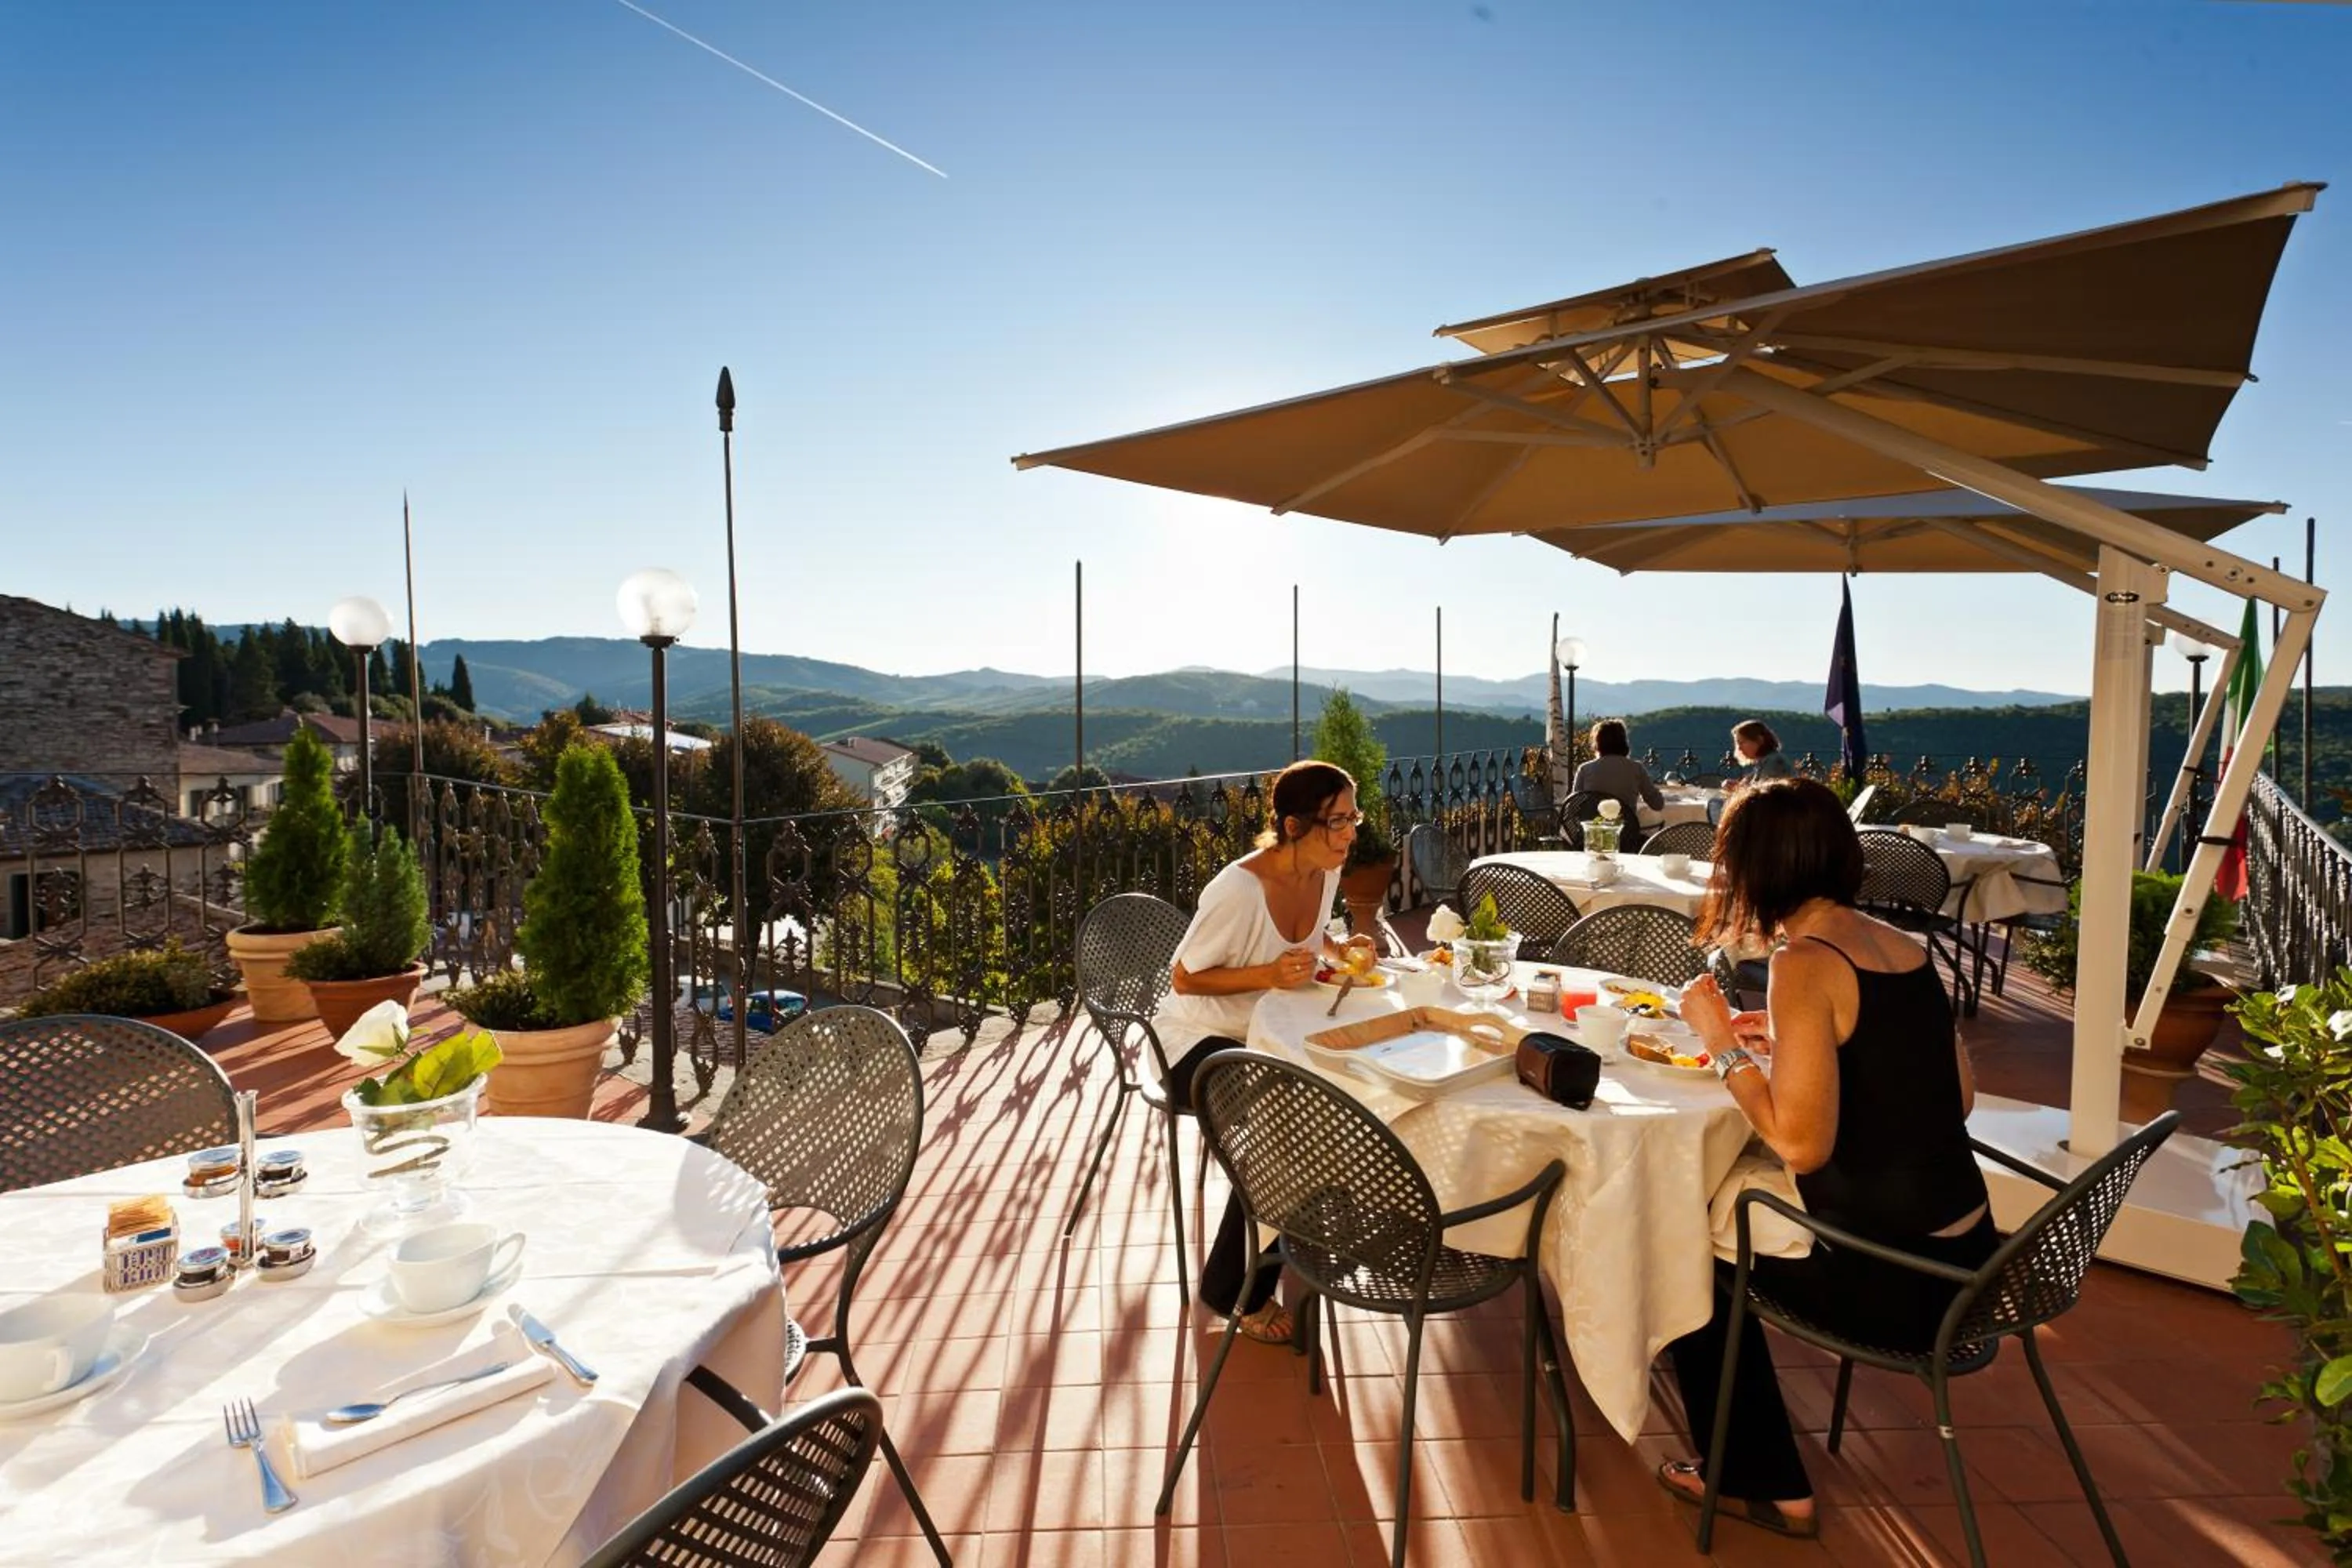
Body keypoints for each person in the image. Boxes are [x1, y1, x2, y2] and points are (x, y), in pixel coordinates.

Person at [1653, 777, 1991, 1541]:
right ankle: (1755, 1463)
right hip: (1970, 1258)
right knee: (1717, 1220)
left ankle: (1763, 1483)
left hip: (1897, 1287)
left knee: (1683, 1245)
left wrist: (1719, 1040)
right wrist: (1801, 1044)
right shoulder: (1900, 946)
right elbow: (1958, 1096)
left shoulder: (1803, 961)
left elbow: (1803, 1146)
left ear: (1759, 866)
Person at [1152, 759, 1380, 1342]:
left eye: (1353, 817)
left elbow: (1310, 936)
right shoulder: (1238, 889)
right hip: (1194, 1043)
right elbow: (1184, 979)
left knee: (1334, 1096)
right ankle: (1236, 1289)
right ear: (1294, 826)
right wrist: (1267, 975)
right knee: (1291, 1123)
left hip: (1262, 1034)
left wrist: (1339, 948)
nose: (1351, 833)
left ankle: (1301, 1225)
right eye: (1338, 821)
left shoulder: (1325, 867)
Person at [1569, 719, 1664, 836]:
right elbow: (1658, 804)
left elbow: (1573, 807)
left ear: (1598, 743)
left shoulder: (1585, 769)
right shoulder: (1636, 769)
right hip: (1625, 836)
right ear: (1624, 742)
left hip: (1592, 835)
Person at [1730, 720, 1794, 786]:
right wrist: (1737, 787)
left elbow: (1768, 790)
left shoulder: (1774, 762)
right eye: (1738, 744)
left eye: (1742, 742)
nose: (1739, 748)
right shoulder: (1764, 763)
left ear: (1759, 740)